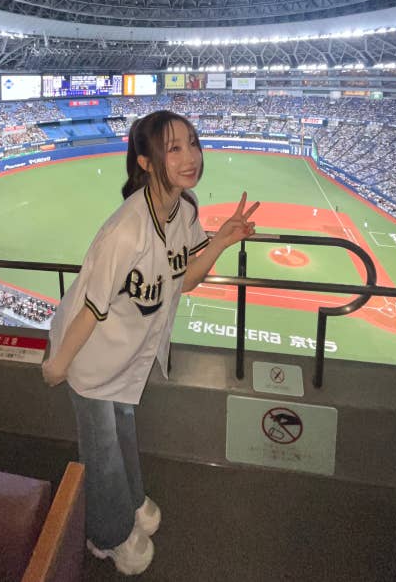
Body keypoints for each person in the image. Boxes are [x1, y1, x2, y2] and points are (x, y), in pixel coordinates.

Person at [41, 111, 259, 575]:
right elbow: (90, 309)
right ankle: (108, 536)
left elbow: (187, 279)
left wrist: (221, 240)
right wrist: (57, 365)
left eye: (192, 143)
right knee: (101, 451)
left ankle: (132, 499)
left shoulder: (186, 209)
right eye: (173, 148)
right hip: (90, 352)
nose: (190, 156)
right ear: (145, 160)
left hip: (128, 350)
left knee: (124, 429)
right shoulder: (126, 230)